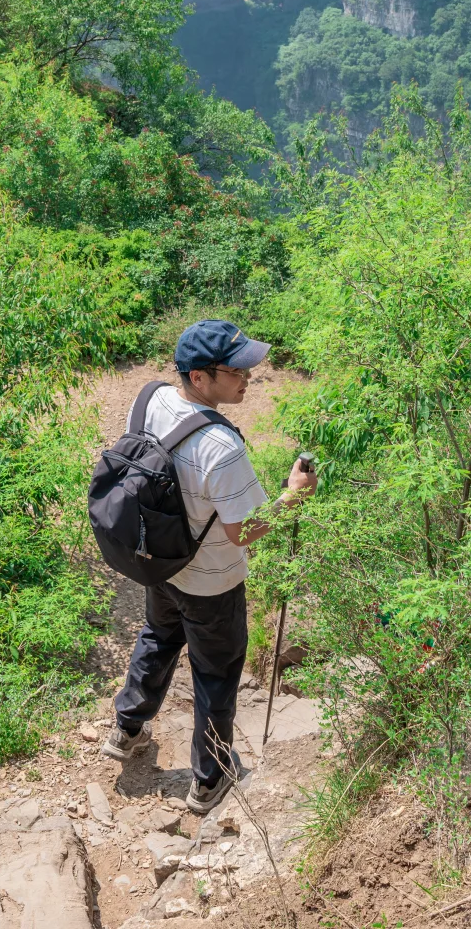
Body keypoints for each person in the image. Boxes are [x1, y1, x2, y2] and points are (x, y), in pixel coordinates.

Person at [101, 318, 317, 813]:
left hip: (161, 562)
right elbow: (246, 530)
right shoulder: (222, 447)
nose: (248, 378)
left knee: (158, 636)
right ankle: (209, 778)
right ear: (199, 377)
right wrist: (294, 497)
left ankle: (126, 729)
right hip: (213, 582)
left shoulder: (151, 399)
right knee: (216, 672)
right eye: (236, 370)